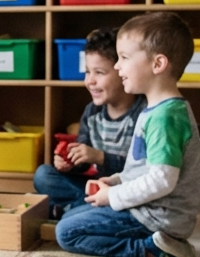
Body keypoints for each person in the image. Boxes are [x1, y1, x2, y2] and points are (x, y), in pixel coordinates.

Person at [55, 12, 200, 257]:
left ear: (157, 64)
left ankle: (152, 247)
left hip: (158, 217)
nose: (117, 66)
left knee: (67, 233)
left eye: (124, 58)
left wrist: (114, 197)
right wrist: (116, 181)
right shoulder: (156, 108)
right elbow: (144, 167)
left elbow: (162, 180)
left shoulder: (165, 117)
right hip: (149, 210)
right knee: (71, 218)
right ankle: (158, 241)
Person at [34, 28, 146, 218]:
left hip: (129, 191)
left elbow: (142, 171)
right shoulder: (92, 111)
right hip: (99, 186)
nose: (89, 81)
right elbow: (84, 160)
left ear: (123, 72)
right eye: (87, 72)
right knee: (43, 175)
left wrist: (100, 157)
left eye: (99, 73)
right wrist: (71, 162)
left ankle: (70, 209)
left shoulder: (143, 113)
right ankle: (79, 208)